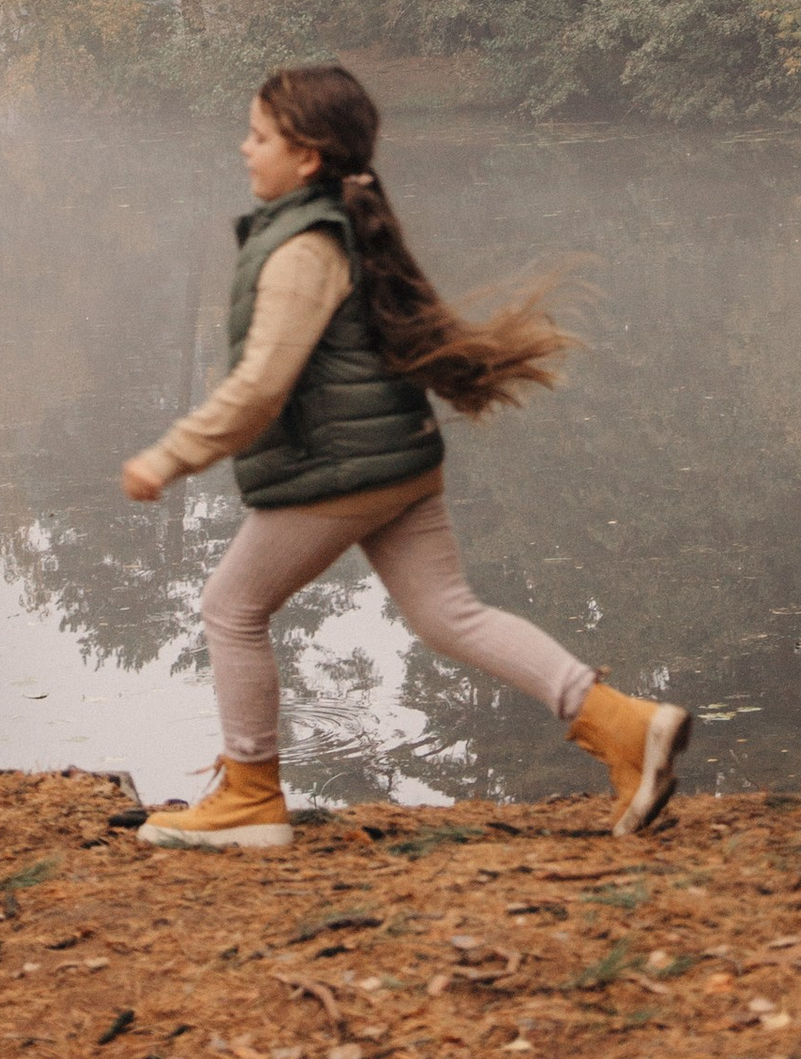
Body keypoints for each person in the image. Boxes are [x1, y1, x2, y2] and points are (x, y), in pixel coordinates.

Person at [124, 62, 690, 848]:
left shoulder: (300, 246)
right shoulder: (328, 225)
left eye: (258, 137)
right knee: (449, 614)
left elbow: (261, 386)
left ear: (308, 157)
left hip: (346, 471)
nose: (243, 149)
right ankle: (624, 725)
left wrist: (170, 456)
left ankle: (251, 797)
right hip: (397, 460)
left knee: (231, 607)